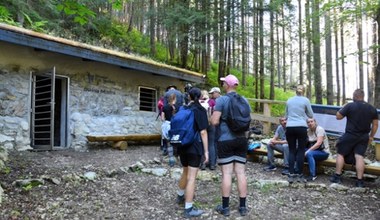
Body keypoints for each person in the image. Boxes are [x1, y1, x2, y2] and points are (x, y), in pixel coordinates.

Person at [211, 74, 249, 217]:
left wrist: (211, 118)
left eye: (223, 83)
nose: (222, 85)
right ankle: (243, 207)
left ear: (227, 85)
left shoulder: (221, 100)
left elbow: (215, 121)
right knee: (240, 172)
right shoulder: (244, 100)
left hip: (225, 139)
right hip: (241, 140)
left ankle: (225, 208)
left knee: (227, 173)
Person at [330, 89, 378, 187]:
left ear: (355, 96)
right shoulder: (372, 108)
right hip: (364, 136)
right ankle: (359, 181)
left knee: (341, 154)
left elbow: (338, 117)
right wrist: (371, 136)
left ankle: (337, 176)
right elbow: (375, 125)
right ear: (363, 96)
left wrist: (343, 106)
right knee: (359, 156)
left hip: (350, 134)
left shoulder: (350, 105)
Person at [175, 87, 209, 218]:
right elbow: (203, 132)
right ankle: (188, 208)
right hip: (194, 147)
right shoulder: (200, 110)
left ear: (188, 96)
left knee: (185, 171)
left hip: (182, 145)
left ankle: (180, 195)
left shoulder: (183, 109)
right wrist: (206, 151)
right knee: (192, 177)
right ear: (200, 97)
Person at [285, 85, 313, 183]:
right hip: (301, 126)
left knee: (291, 150)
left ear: (295, 91)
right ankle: (299, 174)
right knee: (301, 150)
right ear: (303, 92)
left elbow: (286, 115)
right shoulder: (306, 100)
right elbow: (310, 115)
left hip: (290, 126)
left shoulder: (289, 100)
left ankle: (291, 173)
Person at [161, 93, 177, 164]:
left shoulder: (164, 107)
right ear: (174, 99)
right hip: (172, 125)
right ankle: (174, 157)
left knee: (168, 141)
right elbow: (174, 117)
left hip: (166, 124)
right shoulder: (174, 107)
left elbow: (162, 118)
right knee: (173, 141)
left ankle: (170, 158)